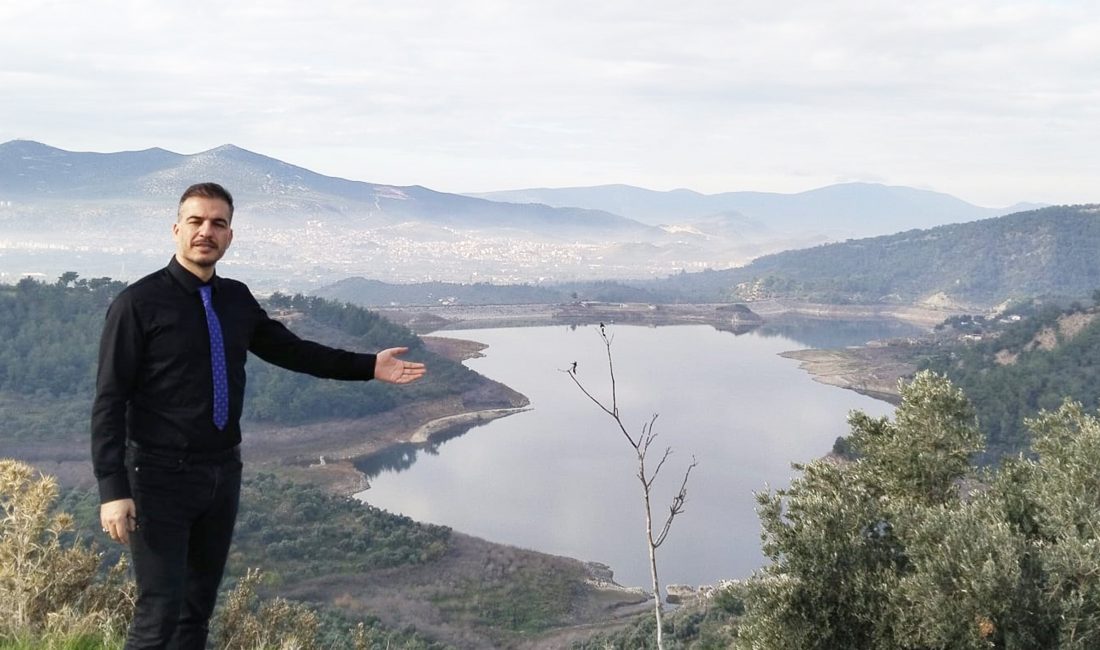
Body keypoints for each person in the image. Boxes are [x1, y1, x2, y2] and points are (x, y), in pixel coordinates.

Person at [90, 182, 426, 649]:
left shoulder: (235, 298)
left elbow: (293, 351)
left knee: (196, 612)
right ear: (176, 229)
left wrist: (369, 366)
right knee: (158, 613)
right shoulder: (138, 304)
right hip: (157, 476)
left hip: (222, 472)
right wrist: (113, 490)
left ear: (229, 236)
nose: (206, 231)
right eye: (196, 221)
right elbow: (109, 399)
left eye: (218, 223)